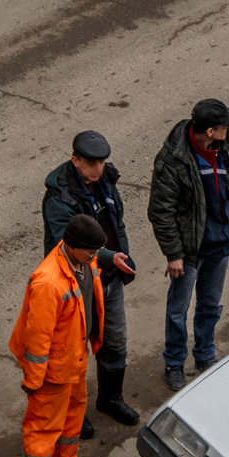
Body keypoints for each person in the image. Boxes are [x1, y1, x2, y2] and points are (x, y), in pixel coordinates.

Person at [42, 130, 139, 436]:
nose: (98, 168)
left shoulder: (105, 180)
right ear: (76, 160)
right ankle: (74, 411)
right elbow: (68, 245)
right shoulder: (60, 197)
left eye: (102, 162)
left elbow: (116, 219)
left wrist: (118, 254)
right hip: (77, 284)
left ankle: (110, 399)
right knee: (74, 351)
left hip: (107, 280)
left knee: (114, 342)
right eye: (92, 162)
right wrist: (110, 257)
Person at [147, 98, 229, 391]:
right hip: (191, 250)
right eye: (225, 126)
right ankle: (175, 362)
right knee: (178, 309)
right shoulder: (173, 159)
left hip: (222, 240)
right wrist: (174, 253)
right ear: (211, 131)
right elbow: (160, 210)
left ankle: (205, 355)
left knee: (210, 304)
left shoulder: (227, 144)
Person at [8, 214, 106, 457]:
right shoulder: (48, 283)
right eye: (91, 252)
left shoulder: (83, 262)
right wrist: (34, 380)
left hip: (74, 359)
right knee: (43, 427)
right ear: (73, 247)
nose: (95, 257)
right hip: (52, 369)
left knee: (72, 417)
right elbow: (37, 340)